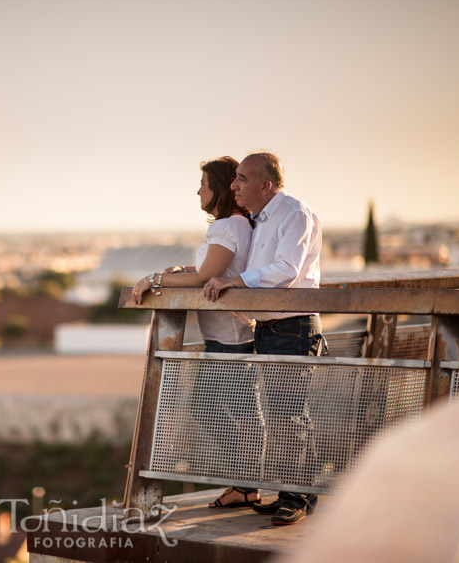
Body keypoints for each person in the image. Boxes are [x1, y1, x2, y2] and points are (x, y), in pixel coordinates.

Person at [203, 152, 326, 526]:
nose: (234, 185)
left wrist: (234, 281)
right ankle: (289, 493)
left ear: (265, 185)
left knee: (290, 416)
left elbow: (286, 270)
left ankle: (299, 498)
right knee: (278, 414)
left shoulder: (294, 214)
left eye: (241, 179)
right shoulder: (262, 220)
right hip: (272, 329)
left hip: (294, 327)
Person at [131, 156, 262, 508]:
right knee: (231, 410)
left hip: (229, 336)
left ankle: (247, 483)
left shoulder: (227, 227)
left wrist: (154, 280)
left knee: (222, 410)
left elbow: (205, 279)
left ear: (217, 188)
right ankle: (245, 483)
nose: (198, 191)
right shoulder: (238, 225)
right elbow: (213, 267)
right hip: (231, 333)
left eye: (203, 184)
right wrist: (183, 269)